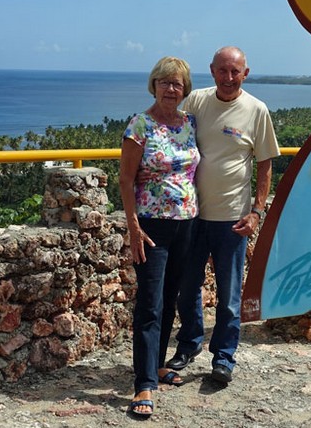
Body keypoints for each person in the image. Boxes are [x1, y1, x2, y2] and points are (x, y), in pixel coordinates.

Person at [166, 46, 280, 385]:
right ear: (212, 71)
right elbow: (170, 132)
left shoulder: (257, 110)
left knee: (229, 297)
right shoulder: (196, 102)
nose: (228, 78)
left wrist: (257, 211)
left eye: (235, 72)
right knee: (187, 289)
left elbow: (265, 164)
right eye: (222, 71)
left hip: (233, 218)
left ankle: (224, 358)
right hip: (191, 215)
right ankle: (188, 345)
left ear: (246, 73)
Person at [119, 56, 200, 418]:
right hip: (152, 226)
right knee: (150, 303)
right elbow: (125, 179)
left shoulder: (189, 123)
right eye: (164, 82)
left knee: (170, 299)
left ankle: (157, 364)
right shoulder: (140, 125)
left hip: (187, 223)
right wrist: (133, 227)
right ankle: (144, 382)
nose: (170, 88)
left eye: (177, 83)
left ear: (185, 89)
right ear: (153, 85)